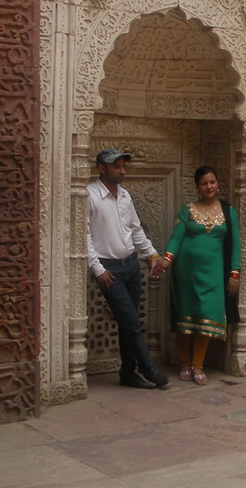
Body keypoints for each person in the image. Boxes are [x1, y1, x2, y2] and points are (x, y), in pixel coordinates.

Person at [86, 148, 170, 389]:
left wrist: (152, 255)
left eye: (124, 166)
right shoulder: (89, 195)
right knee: (132, 323)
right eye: (117, 167)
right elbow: (83, 234)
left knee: (128, 323)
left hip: (131, 265)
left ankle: (127, 374)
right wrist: (98, 269)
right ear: (101, 168)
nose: (122, 171)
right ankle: (148, 369)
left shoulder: (124, 196)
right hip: (109, 271)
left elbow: (135, 229)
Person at [156, 166, 240, 386]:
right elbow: (177, 236)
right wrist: (167, 258)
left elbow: (236, 244)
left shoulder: (228, 211)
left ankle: (198, 364)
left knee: (206, 313)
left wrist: (234, 273)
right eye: (204, 183)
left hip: (214, 273)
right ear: (197, 187)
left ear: (218, 184)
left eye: (212, 182)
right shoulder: (188, 210)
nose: (209, 186)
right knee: (186, 315)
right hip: (185, 271)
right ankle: (184, 363)